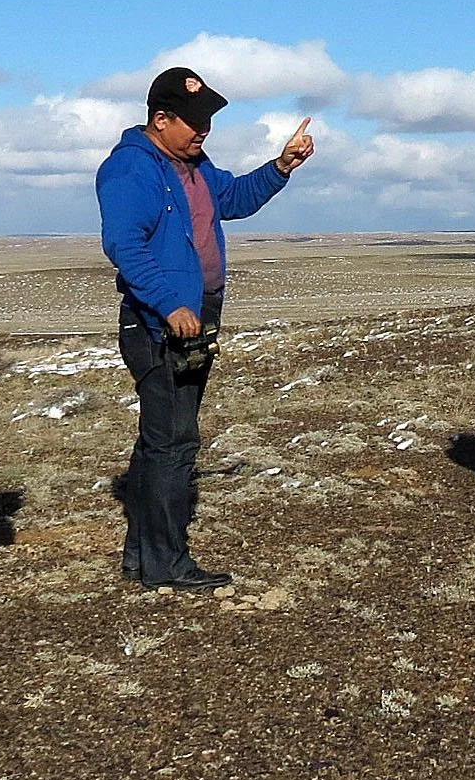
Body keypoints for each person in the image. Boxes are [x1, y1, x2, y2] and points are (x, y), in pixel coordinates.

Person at [96, 67, 314, 592]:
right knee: (172, 442)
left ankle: (144, 556)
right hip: (159, 324)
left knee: (162, 440)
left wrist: (281, 167)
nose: (204, 130)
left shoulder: (192, 164)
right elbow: (125, 244)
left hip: (193, 319)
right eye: (194, 121)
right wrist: (170, 303)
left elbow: (233, 200)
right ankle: (166, 563)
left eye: (207, 120)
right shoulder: (132, 169)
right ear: (161, 118)